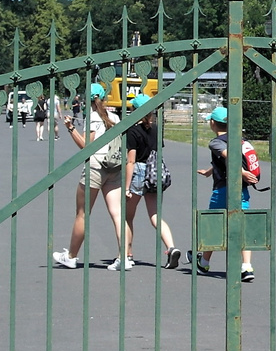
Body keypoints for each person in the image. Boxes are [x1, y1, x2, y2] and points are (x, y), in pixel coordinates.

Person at [51, 83, 127, 271]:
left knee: (82, 213)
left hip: (96, 165)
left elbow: (87, 146)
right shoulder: (114, 117)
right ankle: (124, 256)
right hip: (114, 165)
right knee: (117, 213)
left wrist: (70, 129)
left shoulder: (92, 117)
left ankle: (71, 256)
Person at [195, 106, 257, 282]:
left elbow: (229, 157)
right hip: (242, 191)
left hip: (224, 190)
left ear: (213, 123)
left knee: (215, 225)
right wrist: (209, 171)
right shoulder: (240, 139)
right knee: (241, 227)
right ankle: (246, 266)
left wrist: (241, 172)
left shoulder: (216, 142)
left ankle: (204, 262)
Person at [123, 93, 181, 270]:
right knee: (155, 215)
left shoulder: (132, 130)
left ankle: (128, 253)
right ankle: (171, 247)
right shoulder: (156, 129)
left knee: (127, 216)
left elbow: (131, 161)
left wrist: (126, 186)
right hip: (154, 172)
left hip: (139, 171)